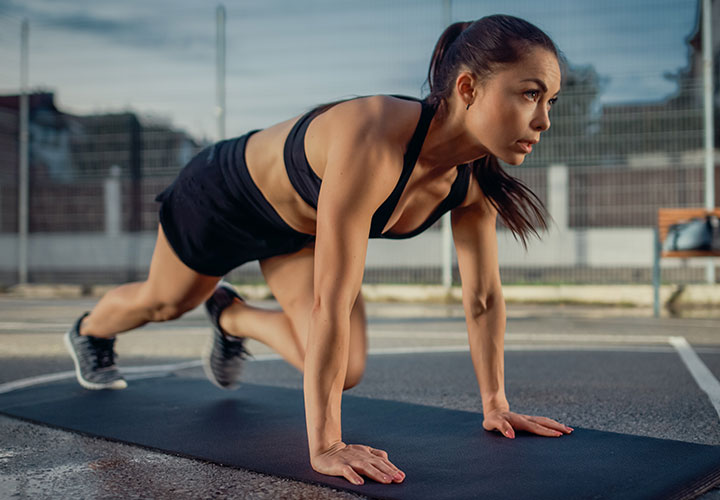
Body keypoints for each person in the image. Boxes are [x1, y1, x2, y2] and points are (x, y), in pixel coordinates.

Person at [65, 14, 573, 486]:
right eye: (530, 94)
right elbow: (332, 300)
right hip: (223, 198)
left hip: (297, 232)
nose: (544, 120)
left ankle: (230, 316)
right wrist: (327, 444)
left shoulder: (471, 187)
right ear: (468, 87)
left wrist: (496, 403)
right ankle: (89, 332)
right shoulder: (373, 137)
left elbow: (482, 298)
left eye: (550, 101)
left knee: (344, 371)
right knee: (165, 302)